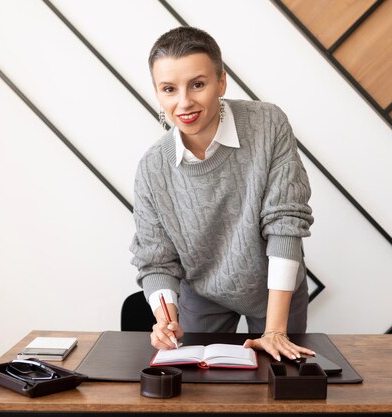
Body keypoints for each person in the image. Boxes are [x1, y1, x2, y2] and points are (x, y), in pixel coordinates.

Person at [130, 26, 314, 361]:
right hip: (202, 293)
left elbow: (286, 223)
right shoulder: (152, 168)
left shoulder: (268, 124)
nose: (184, 102)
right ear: (157, 93)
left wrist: (274, 330)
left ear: (222, 82)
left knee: (282, 383)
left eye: (198, 84)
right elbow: (156, 260)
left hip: (273, 287)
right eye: (169, 89)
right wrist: (166, 320)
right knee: (201, 392)